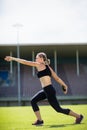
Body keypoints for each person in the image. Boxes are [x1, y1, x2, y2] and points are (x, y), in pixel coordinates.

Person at [5, 52, 83, 126]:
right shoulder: (48, 67)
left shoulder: (39, 65)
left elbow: (25, 62)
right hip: (47, 90)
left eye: (37, 58)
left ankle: (78, 116)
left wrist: (12, 58)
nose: (35, 59)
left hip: (49, 90)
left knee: (58, 109)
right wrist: (65, 85)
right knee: (33, 101)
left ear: (42, 59)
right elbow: (57, 78)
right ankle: (39, 120)